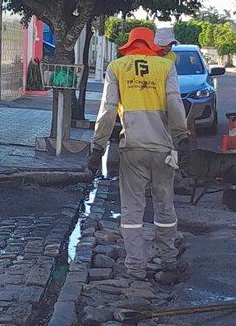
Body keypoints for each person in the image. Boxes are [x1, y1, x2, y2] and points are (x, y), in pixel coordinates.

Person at [88, 27, 190, 283]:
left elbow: (108, 109)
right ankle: (168, 260)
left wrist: (98, 146)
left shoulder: (117, 67)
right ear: (151, 45)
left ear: (130, 45)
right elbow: (175, 103)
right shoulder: (165, 67)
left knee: (132, 211)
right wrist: (182, 136)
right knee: (164, 206)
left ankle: (135, 268)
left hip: (132, 148)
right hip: (163, 149)